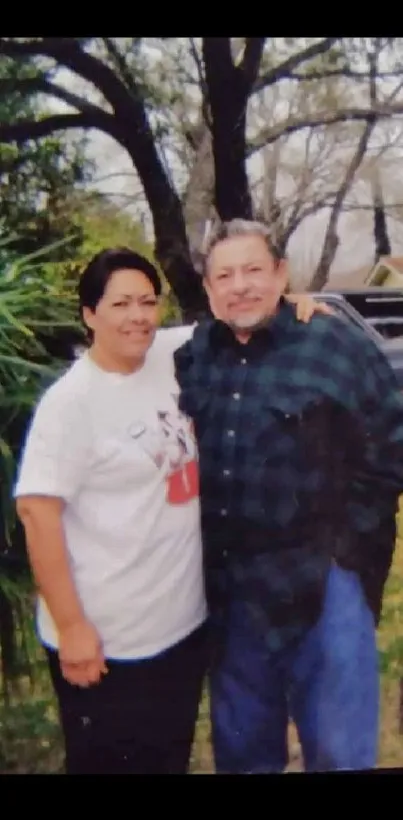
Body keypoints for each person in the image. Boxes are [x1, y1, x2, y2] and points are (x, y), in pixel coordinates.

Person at [13, 246, 327, 775]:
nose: (137, 317)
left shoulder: (167, 352)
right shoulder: (71, 405)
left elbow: (234, 315)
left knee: (167, 759)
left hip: (180, 631)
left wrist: (289, 298)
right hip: (110, 642)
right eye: (120, 305)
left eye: (147, 302)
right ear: (89, 315)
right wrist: (72, 629)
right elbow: (37, 515)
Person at [173, 218, 403, 774]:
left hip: (323, 583)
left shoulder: (333, 343)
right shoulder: (196, 353)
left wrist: (348, 557)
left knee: (340, 755)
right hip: (232, 594)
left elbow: (390, 446)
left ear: (281, 274)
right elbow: (118, 352)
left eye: (255, 269)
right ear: (208, 290)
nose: (240, 285)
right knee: (244, 754)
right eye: (224, 275)